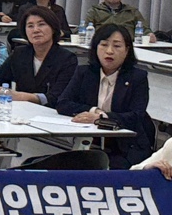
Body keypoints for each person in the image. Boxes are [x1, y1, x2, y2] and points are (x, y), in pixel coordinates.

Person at [57, 25, 154, 167]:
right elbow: (63, 103)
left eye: (117, 46)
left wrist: (101, 118)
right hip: (91, 142)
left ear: (127, 50)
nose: (109, 51)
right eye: (103, 45)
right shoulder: (84, 73)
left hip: (125, 147)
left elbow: (136, 115)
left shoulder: (137, 77)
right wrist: (94, 111)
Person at [0, 6, 78, 107]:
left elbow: (57, 97)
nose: (36, 30)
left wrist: (24, 96)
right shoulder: (20, 53)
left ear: (53, 28)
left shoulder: (67, 59)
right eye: (30, 26)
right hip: (22, 111)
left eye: (41, 24)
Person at [84, 0, 154, 39]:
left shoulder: (132, 12)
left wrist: (149, 35)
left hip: (127, 46)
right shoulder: (94, 11)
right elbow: (83, 31)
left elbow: (146, 30)